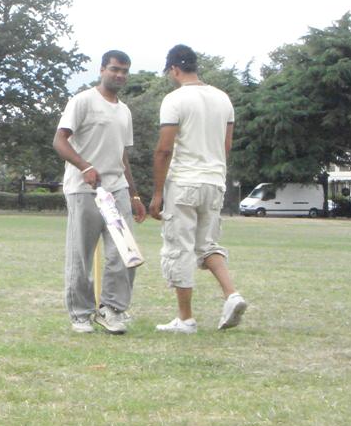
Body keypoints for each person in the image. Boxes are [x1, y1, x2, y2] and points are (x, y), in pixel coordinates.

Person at [148, 44, 247, 333]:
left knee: (179, 248)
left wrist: (157, 194)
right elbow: (226, 146)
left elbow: (164, 149)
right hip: (215, 181)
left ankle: (185, 318)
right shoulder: (223, 98)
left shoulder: (175, 99)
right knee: (207, 246)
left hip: (184, 181)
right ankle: (232, 294)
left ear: (174, 70)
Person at [53, 50, 147, 334]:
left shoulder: (124, 110)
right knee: (81, 254)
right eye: (115, 69)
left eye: (124, 71)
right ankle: (80, 313)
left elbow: (122, 156)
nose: (119, 75)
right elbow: (59, 141)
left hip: (116, 189)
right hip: (84, 190)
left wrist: (134, 194)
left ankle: (112, 309)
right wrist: (84, 166)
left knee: (125, 251)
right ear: (102, 69)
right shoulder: (83, 101)